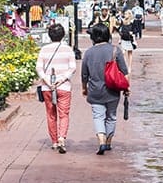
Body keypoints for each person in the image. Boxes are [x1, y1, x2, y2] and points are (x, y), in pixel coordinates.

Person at [81, 22, 129, 155]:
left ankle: (101, 140)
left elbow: (84, 74)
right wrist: (126, 87)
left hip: (95, 90)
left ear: (94, 37)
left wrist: (84, 88)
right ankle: (108, 142)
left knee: (98, 116)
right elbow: (124, 71)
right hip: (113, 90)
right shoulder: (115, 50)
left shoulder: (88, 53)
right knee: (111, 116)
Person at [36, 22, 76, 153]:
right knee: (64, 114)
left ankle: (54, 141)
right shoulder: (68, 49)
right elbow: (72, 68)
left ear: (49, 35)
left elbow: (39, 68)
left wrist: (47, 80)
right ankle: (62, 137)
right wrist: (62, 79)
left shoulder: (44, 49)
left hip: (47, 87)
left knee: (51, 114)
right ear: (63, 35)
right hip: (64, 87)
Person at [116, 10, 136, 75]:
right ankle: (125, 66)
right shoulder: (123, 21)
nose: (125, 15)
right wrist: (120, 38)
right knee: (123, 52)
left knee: (130, 53)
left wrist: (132, 33)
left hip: (130, 39)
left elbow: (135, 30)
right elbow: (120, 30)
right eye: (125, 14)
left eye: (126, 14)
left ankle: (129, 66)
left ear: (129, 14)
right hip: (123, 39)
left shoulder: (132, 22)